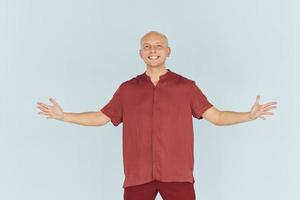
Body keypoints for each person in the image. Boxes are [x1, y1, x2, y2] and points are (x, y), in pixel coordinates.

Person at [36, 31, 278, 200]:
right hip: (138, 175)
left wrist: (249, 115)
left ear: (168, 51)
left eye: (158, 45)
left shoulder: (186, 87)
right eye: (147, 46)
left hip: (178, 174)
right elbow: (101, 117)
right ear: (140, 52)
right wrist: (63, 116)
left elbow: (217, 117)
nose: (153, 50)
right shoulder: (127, 89)